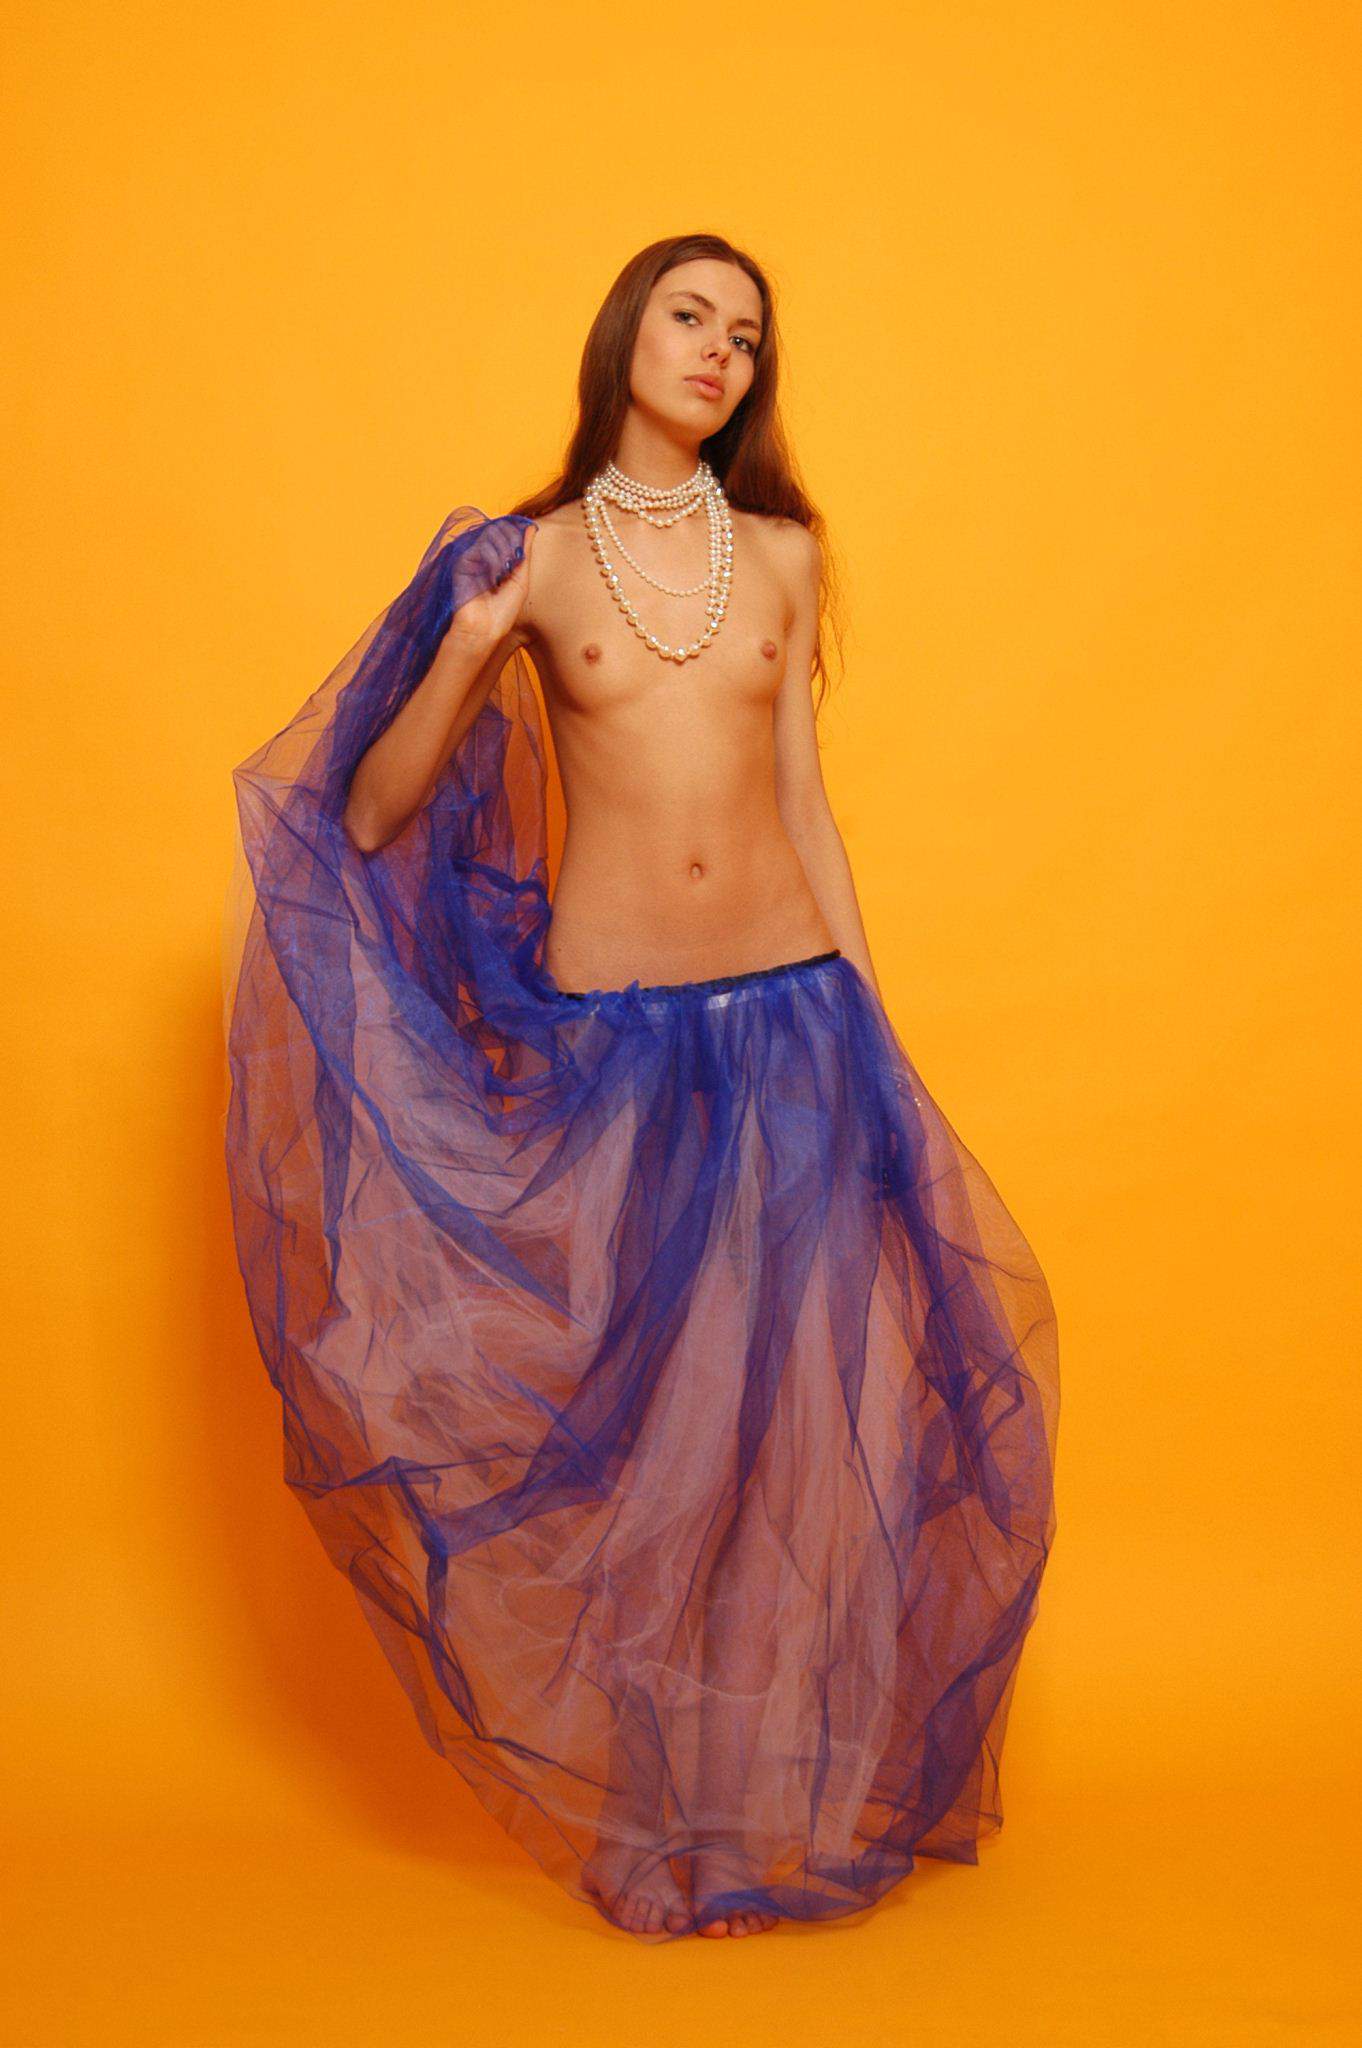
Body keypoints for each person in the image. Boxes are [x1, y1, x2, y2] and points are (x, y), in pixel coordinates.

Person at [222, 232, 1060, 1944]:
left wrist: (872, 1028)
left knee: (784, 1442)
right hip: (612, 1044)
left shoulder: (782, 555)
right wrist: (468, 645)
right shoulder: (524, 561)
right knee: (650, 1449)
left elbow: (805, 804)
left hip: (795, 1023)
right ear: (626, 335)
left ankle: (755, 1820)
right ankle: (654, 1815)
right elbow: (370, 814)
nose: (718, 352)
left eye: (746, 336)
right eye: (691, 317)